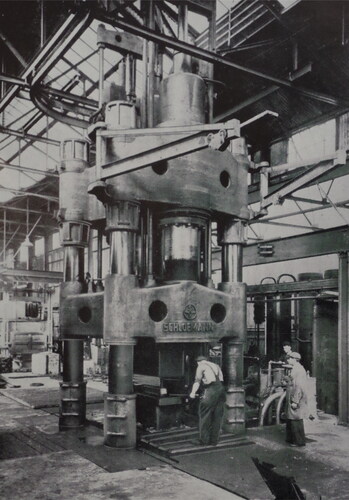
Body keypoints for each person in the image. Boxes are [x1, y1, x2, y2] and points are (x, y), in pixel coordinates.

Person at [189, 355, 226, 446]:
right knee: (217, 416)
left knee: (205, 414)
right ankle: (214, 441)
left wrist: (192, 393)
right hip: (221, 390)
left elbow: (197, 381)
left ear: (199, 362)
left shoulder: (201, 366)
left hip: (211, 391)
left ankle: (204, 441)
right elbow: (221, 379)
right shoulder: (216, 365)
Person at [285, 372, 308, 447]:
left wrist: (295, 403)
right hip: (292, 409)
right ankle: (291, 439)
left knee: (296, 424)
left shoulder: (297, 386)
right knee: (291, 423)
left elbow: (297, 396)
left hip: (296, 409)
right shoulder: (293, 385)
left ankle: (299, 442)